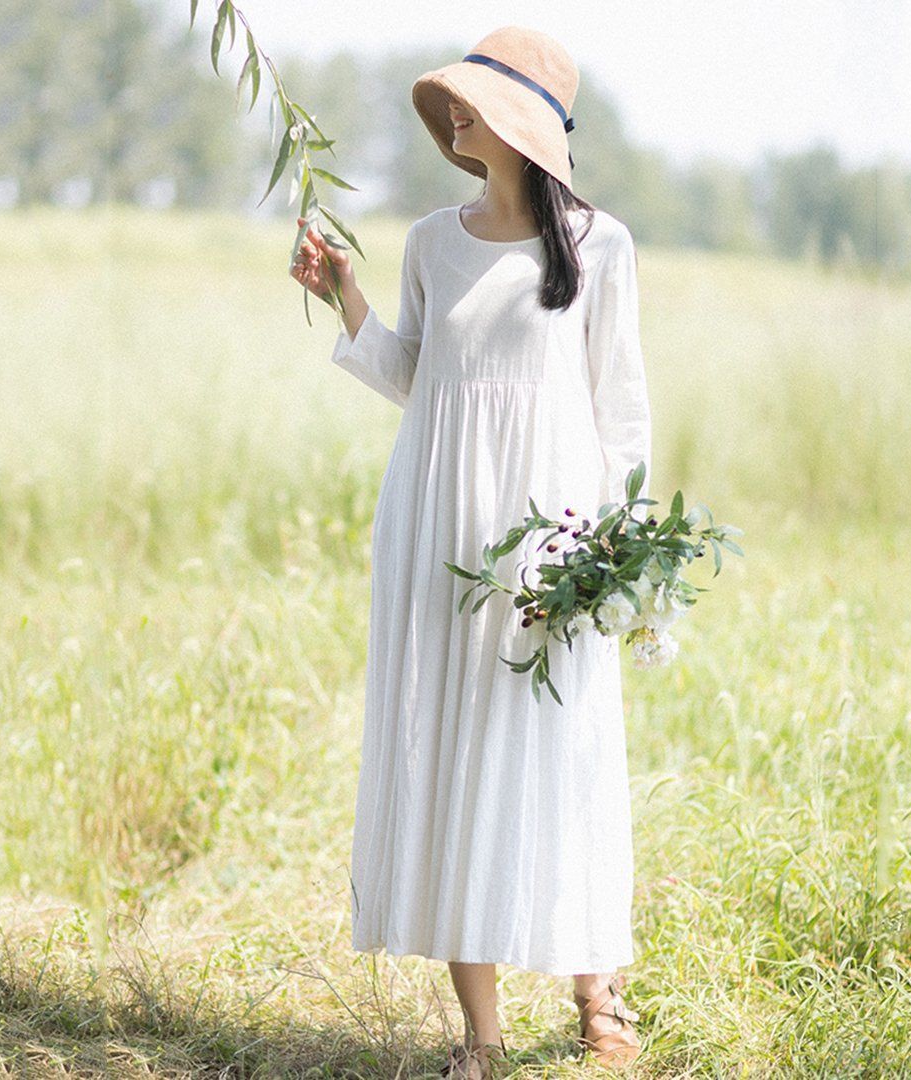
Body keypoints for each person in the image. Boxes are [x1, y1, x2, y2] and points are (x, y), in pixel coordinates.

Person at [290, 26, 651, 1079]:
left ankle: (597, 989)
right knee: (454, 754)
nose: (453, 112)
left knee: (563, 750)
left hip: (555, 538)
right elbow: (423, 381)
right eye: (450, 97)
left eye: (472, 98)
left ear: (524, 122)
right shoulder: (428, 242)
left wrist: (614, 555)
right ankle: (483, 1036)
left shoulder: (602, 248)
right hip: (439, 529)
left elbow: (620, 414)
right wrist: (345, 295)